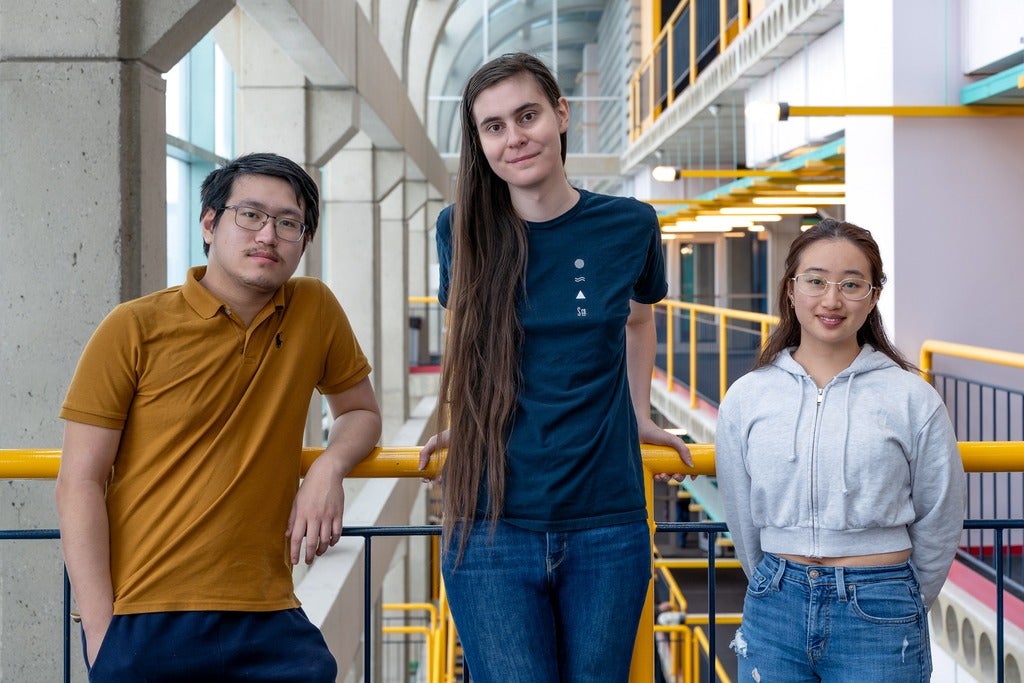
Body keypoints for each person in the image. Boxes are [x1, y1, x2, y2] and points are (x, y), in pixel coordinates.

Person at [417, 52, 693, 682]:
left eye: (527, 116)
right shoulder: (460, 229)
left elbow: (639, 319)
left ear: (561, 114)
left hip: (607, 523)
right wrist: (470, 420)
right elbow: (471, 338)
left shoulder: (629, 224)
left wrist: (638, 411)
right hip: (491, 525)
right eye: (493, 127)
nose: (514, 138)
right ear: (479, 142)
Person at [55, 152, 382, 681]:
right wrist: (101, 631)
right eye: (250, 215)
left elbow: (360, 411)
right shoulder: (133, 328)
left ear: (303, 241)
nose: (268, 235)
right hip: (147, 612)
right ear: (209, 224)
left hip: (269, 611)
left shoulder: (314, 309)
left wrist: (328, 468)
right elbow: (79, 481)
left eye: (289, 223)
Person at [715, 219, 966, 682]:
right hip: (774, 604)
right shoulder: (747, 396)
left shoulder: (911, 397)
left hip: (881, 607)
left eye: (851, 284)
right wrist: (775, 578)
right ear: (791, 290)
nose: (831, 301)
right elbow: (741, 514)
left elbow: (940, 513)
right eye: (815, 281)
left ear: (873, 296)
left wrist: (903, 597)